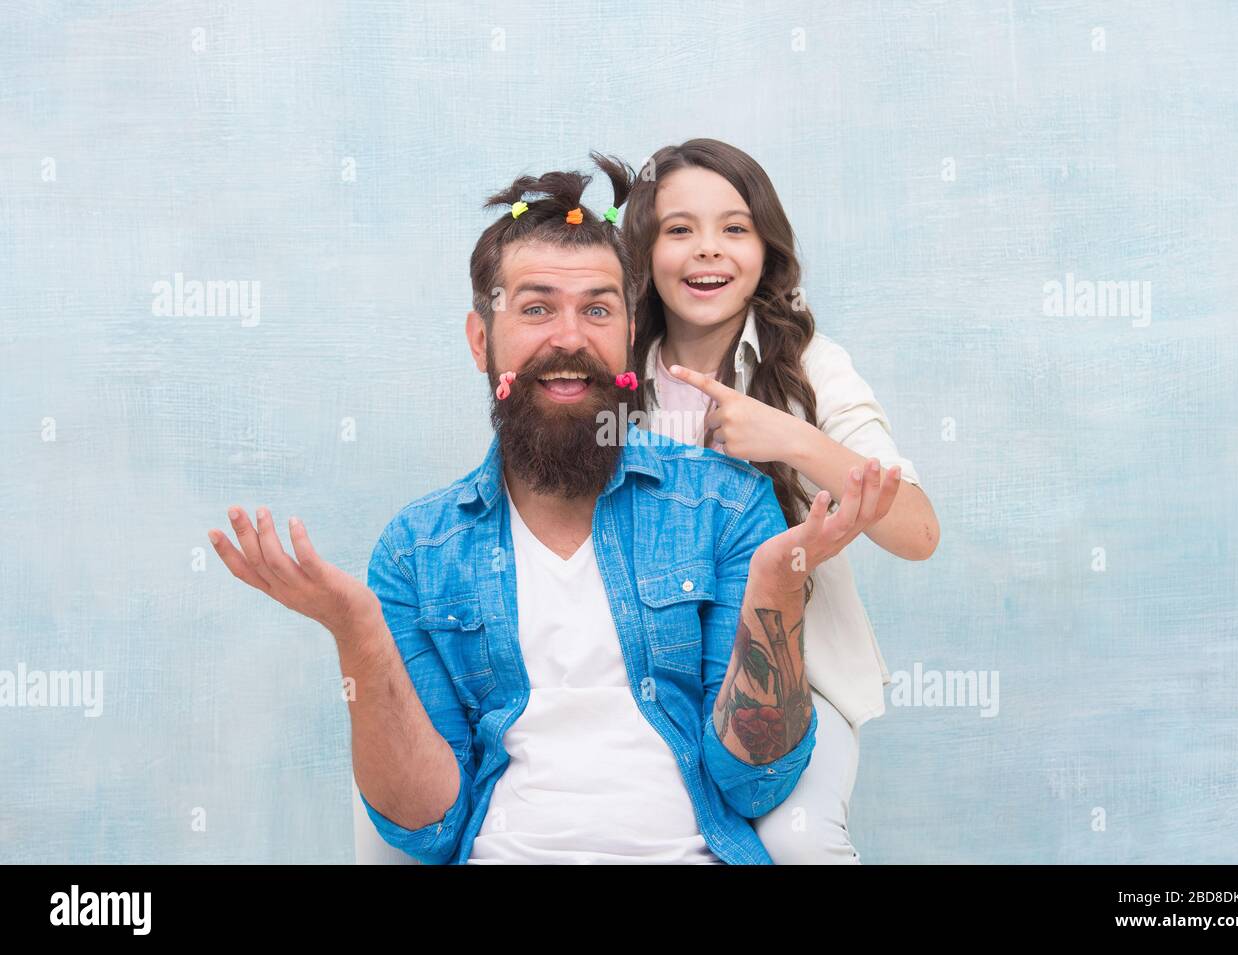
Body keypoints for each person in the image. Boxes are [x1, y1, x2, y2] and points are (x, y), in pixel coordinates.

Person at [207, 154, 899, 864]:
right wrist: (357, 631)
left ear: (630, 335)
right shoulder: (418, 550)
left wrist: (776, 589)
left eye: (597, 309)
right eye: (536, 308)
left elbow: (755, 782)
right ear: (482, 341)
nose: (570, 338)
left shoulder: (726, 505)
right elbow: (426, 825)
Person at [621, 138, 940, 863]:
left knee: (795, 840)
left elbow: (918, 531)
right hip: (650, 674)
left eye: (735, 229)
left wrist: (791, 437)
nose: (709, 252)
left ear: (767, 249)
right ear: (643, 248)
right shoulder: (616, 368)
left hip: (789, 677)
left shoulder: (811, 365)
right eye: (680, 230)